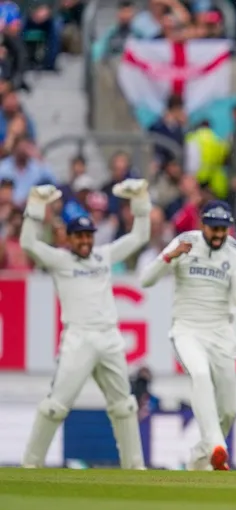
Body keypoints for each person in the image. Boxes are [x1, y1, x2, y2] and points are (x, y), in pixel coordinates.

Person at [20, 180, 151, 469]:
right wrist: (35, 206)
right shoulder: (60, 260)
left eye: (87, 236)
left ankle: (136, 469)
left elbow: (140, 236)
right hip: (78, 339)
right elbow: (28, 243)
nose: (84, 241)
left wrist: (140, 200)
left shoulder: (103, 257)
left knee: (125, 407)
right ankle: (30, 466)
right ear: (68, 238)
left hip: (109, 338)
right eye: (78, 236)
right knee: (55, 407)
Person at [139, 201, 236, 471]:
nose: (218, 235)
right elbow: (145, 280)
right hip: (187, 330)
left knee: (228, 410)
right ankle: (218, 447)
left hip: (220, 333)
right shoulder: (185, 242)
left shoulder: (234, 252)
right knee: (200, 376)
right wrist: (169, 257)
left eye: (223, 229)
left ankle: (199, 457)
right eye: (214, 229)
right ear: (202, 224)